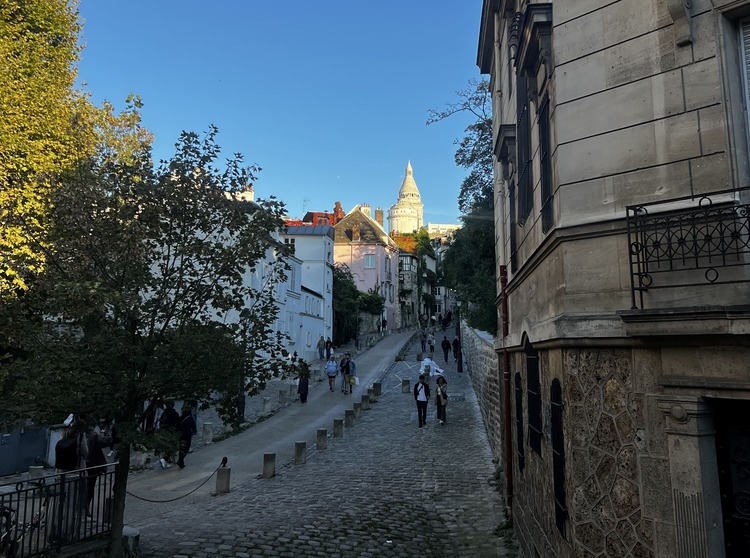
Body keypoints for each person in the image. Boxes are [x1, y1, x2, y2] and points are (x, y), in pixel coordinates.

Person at [86, 425, 112, 513]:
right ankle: (85, 508)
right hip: (92, 466)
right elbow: (107, 441)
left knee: (85, 488)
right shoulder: (94, 436)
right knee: (89, 488)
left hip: (84, 465)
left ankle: (83, 508)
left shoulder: (77, 435)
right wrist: (106, 433)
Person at [158, 401, 180, 467]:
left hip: (165, 432)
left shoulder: (164, 414)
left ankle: (166, 460)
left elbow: (161, 423)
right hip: (172, 432)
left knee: (166, 447)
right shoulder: (175, 414)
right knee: (171, 447)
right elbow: (178, 424)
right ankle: (166, 460)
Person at [176, 405, 197, 469]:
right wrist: (194, 432)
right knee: (186, 448)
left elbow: (177, 426)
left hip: (180, 435)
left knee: (181, 449)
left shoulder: (180, 418)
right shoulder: (190, 418)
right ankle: (180, 461)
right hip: (187, 435)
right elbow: (193, 427)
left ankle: (180, 461)